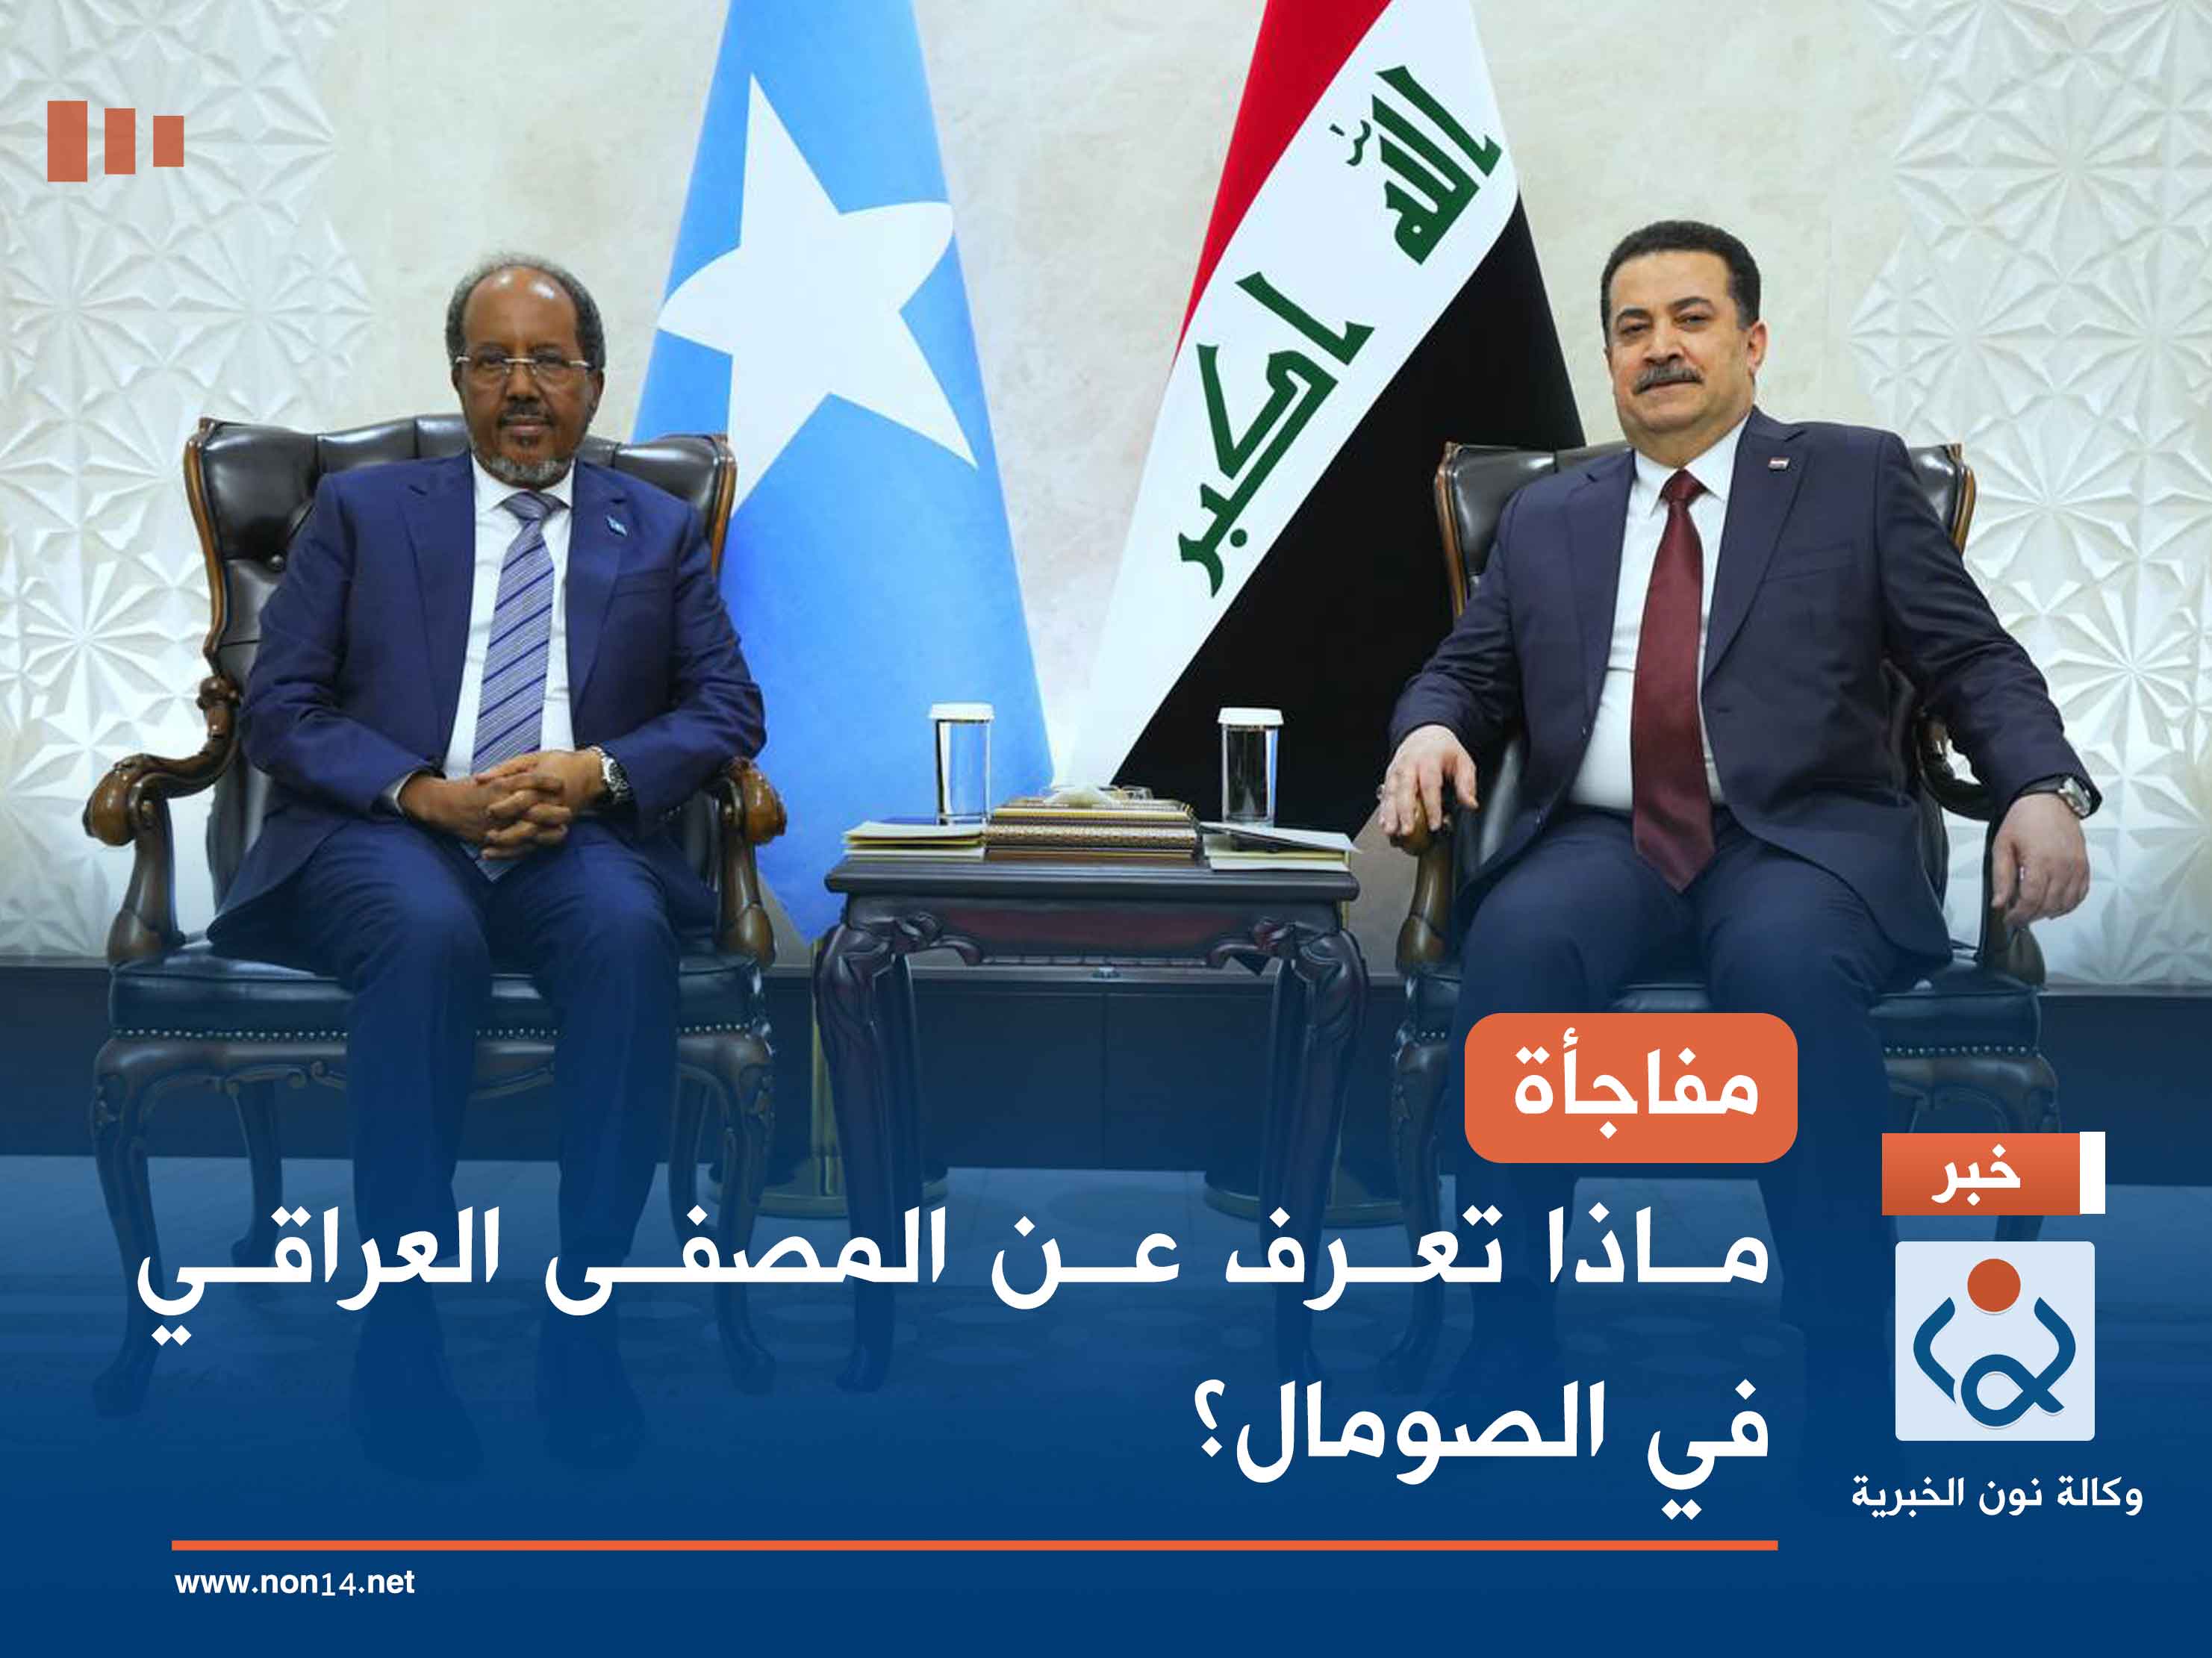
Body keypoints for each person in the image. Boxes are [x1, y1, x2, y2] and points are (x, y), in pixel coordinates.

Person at [1374, 219, 2095, 1470]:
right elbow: (1466, 671)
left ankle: (1850, 1362)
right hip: (1603, 842)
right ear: (1610, 358)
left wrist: (2040, 786)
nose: (1662, 348)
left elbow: (1973, 658)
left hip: (1802, 840)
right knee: (1519, 949)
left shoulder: (1854, 480)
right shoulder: (1548, 516)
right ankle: (1510, 1337)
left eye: (1692, 319)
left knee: (1785, 971)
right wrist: (1429, 729)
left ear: (1752, 342)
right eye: (1634, 328)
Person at [209, 255, 764, 1476]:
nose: (522, 386)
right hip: (388, 833)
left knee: (625, 936)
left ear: (593, 382)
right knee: (426, 935)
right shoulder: (363, 514)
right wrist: (421, 791)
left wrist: (598, 772)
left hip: (578, 837)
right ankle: (400, 1334)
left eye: (548, 361)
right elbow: (279, 707)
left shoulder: (656, 528)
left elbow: (727, 707)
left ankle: (586, 1327)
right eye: (494, 360)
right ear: (459, 379)